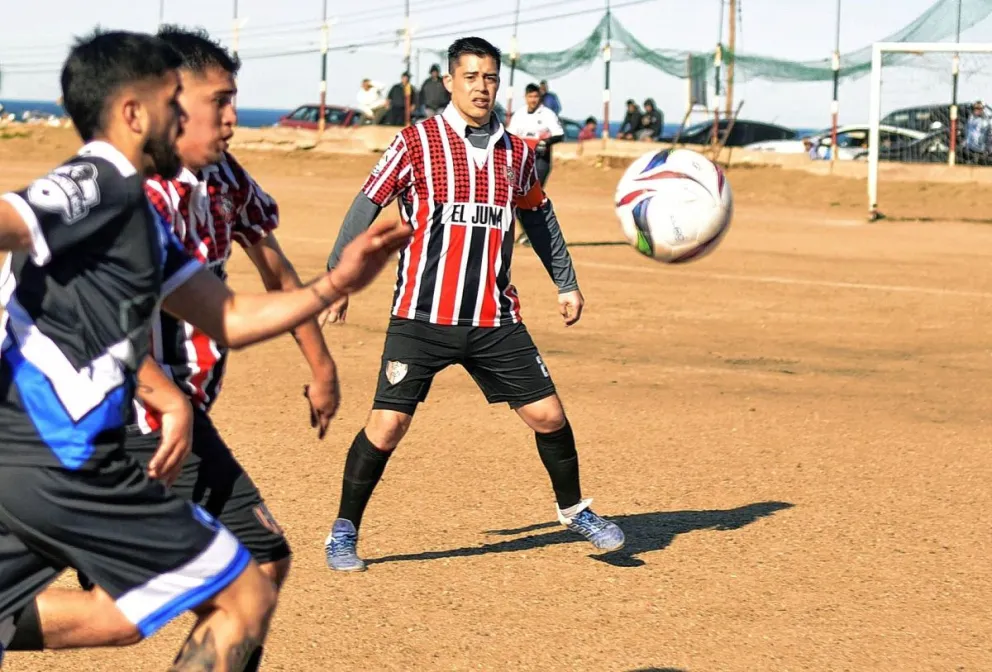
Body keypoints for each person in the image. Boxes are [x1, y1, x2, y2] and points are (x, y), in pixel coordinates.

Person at [0, 28, 409, 669]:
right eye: (176, 102)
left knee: (131, 613)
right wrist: (166, 396)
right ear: (137, 114)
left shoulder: (135, 210)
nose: (196, 118)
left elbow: (231, 317)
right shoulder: (97, 180)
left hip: (41, 454)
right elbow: (14, 218)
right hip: (57, 453)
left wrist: (338, 282)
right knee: (243, 592)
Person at [320, 36, 624, 573]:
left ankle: (574, 510)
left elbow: (539, 217)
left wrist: (566, 282)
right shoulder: (416, 142)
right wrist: (337, 281)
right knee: (387, 426)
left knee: (548, 415)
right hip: (421, 315)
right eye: (471, 77)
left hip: (493, 318)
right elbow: (365, 205)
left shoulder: (516, 152)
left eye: (490, 78)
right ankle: (344, 530)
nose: (481, 88)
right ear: (449, 81)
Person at [507, 82, 565, 246]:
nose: (533, 99)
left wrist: (546, 142)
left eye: (536, 96)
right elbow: (510, 136)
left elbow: (559, 135)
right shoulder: (519, 115)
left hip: (540, 161)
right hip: (521, 161)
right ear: (525, 97)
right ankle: (527, 232)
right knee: (515, 197)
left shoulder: (548, 114)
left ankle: (537, 233)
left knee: (532, 198)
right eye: (530, 96)